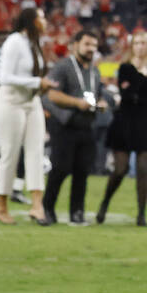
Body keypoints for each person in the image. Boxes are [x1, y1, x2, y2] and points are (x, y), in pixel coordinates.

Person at [0, 7, 55, 225]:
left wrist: (40, 86)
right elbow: (5, 76)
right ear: (31, 20)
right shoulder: (14, 42)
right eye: (41, 17)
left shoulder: (33, 43)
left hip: (31, 101)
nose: (45, 21)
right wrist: (38, 83)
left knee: (36, 151)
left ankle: (37, 205)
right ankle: (1, 206)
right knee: (10, 153)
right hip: (10, 101)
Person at [96, 30, 147, 227]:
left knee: (143, 169)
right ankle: (105, 202)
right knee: (120, 169)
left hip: (143, 122)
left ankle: (141, 214)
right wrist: (143, 83)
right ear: (132, 46)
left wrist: (138, 90)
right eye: (137, 43)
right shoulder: (125, 67)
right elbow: (128, 94)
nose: (140, 47)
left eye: (144, 43)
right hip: (124, 121)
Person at [42, 29, 107, 226]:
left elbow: (100, 92)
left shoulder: (94, 70)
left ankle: (77, 213)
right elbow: (51, 94)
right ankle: (47, 209)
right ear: (75, 45)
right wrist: (77, 103)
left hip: (87, 124)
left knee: (82, 171)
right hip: (64, 124)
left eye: (94, 46)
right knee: (60, 168)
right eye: (87, 44)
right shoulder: (63, 66)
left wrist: (103, 102)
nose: (91, 49)